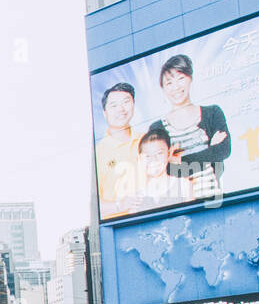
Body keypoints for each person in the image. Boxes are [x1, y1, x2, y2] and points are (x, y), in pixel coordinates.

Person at [146, 53, 231, 200]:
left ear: (190, 79)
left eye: (181, 78)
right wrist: (209, 152)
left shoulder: (212, 112)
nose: (176, 87)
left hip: (212, 197)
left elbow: (223, 151)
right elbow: (164, 170)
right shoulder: (157, 128)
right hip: (176, 203)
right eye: (169, 83)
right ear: (163, 88)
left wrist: (181, 161)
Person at [95, 82, 141, 218]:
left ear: (133, 104)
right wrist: (119, 205)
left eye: (126, 102)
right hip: (120, 229)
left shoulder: (147, 140)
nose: (121, 109)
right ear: (105, 113)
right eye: (114, 105)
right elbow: (92, 206)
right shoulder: (97, 154)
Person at [128, 129, 193, 216]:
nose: (154, 160)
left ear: (169, 153)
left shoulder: (184, 185)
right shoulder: (137, 197)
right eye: (147, 156)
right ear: (139, 159)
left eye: (159, 153)